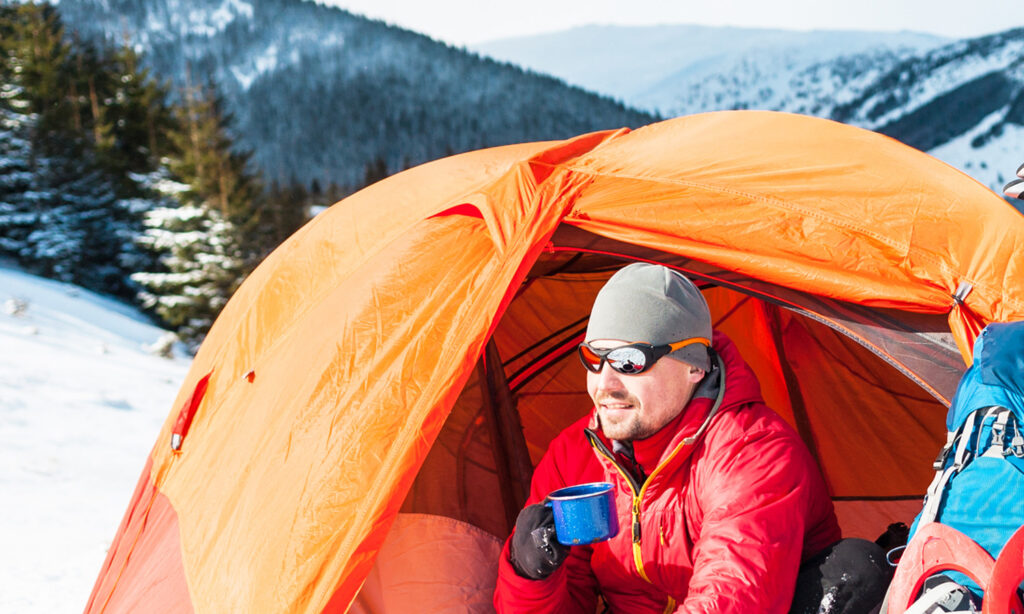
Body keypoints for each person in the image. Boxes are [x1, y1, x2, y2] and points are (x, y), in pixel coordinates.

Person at [493, 263, 886, 613]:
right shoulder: (573, 456)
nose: (605, 384)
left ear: (693, 367)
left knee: (854, 568)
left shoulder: (752, 450)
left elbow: (733, 595)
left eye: (630, 361)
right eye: (594, 359)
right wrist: (528, 573)